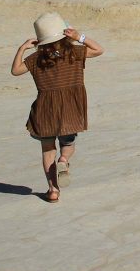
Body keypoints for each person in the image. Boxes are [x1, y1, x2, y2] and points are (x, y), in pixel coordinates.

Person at [11, 12, 103, 203]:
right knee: (68, 145)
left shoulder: (36, 58)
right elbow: (99, 50)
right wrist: (79, 37)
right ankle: (64, 161)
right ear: (64, 35)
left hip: (45, 111)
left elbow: (15, 71)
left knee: (47, 150)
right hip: (70, 108)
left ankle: (53, 190)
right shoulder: (74, 53)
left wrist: (22, 48)